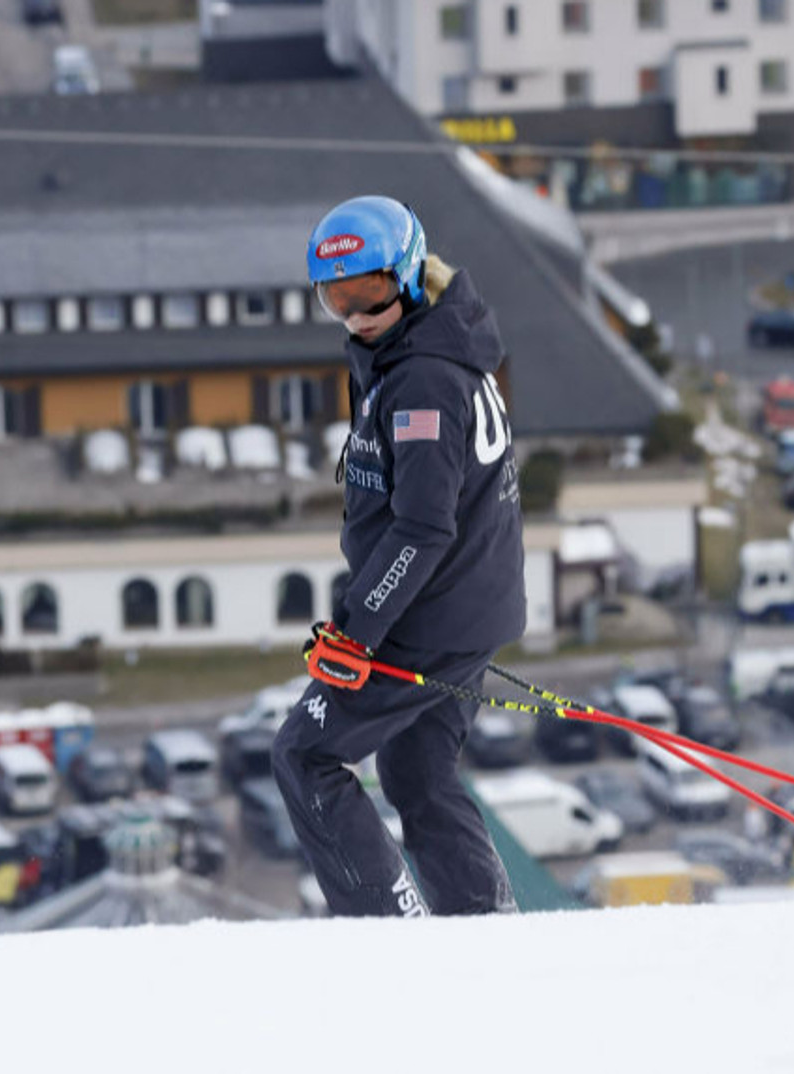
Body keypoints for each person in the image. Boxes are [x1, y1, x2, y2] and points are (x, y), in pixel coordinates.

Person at [272, 196, 525, 918]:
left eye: (371, 291)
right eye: (336, 298)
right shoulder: (429, 345)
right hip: (463, 606)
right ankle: (486, 923)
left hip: (429, 615)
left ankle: (387, 924)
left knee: (304, 755)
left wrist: (358, 631)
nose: (356, 314)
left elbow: (422, 528)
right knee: (416, 771)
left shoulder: (422, 380)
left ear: (410, 275)